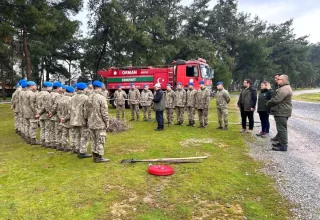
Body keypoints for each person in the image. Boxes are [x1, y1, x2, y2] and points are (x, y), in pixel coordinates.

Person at [85, 80, 110, 163]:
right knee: (100, 140)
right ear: (99, 87)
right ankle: (99, 157)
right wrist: (107, 122)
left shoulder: (89, 97)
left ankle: (95, 156)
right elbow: (104, 112)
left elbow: (85, 110)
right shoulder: (101, 97)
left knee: (93, 140)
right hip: (99, 122)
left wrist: (87, 119)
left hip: (91, 122)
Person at [267, 75, 293, 151]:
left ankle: (283, 145)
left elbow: (276, 100)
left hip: (282, 111)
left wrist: (268, 103)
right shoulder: (284, 88)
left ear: (283, 80)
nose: (277, 80)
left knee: (282, 129)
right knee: (281, 128)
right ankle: (281, 142)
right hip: (282, 110)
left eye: (278, 79)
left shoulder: (284, 89)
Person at [68, 82, 92, 158]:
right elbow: (86, 110)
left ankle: (77, 149)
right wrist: (87, 119)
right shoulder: (86, 98)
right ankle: (82, 152)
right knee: (84, 136)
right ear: (84, 89)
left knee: (77, 136)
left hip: (73, 120)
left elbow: (69, 110)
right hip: (82, 120)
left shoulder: (72, 98)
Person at [56, 86, 74, 152]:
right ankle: (73, 147)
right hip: (69, 119)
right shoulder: (71, 100)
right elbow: (71, 112)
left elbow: (58, 110)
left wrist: (61, 118)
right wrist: (65, 118)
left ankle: (65, 146)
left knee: (64, 133)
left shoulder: (60, 99)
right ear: (72, 92)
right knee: (72, 134)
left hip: (62, 119)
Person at [35, 81, 53, 147]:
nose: (51, 88)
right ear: (47, 87)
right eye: (51, 86)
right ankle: (47, 142)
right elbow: (46, 105)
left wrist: (38, 112)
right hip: (45, 114)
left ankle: (42, 141)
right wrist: (49, 112)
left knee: (42, 128)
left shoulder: (38, 93)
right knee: (47, 128)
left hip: (39, 114)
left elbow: (36, 104)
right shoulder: (47, 94)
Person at [48, 82, 64, 149]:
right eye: (61, 87)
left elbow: (46, 104)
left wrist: (49, 112)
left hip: (50, 115)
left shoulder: (49, 94)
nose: (62, 88)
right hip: (55, 115)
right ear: (58, 88)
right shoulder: (57, 95)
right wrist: (52, 112)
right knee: (58, 130)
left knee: (52, 130)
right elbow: (56, 105)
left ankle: (52, 143)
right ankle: (58, 144)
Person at [24, 81, 40, 145]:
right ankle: (33, 140)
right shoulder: (32, 94)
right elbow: (32, 105)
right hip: (31, 113)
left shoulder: (24, 93)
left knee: (27, 126)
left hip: (26, 112)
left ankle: (28, 139)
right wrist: (36, 113)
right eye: (35, 85)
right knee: (33, 126)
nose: (36, 87)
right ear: (31, 86)